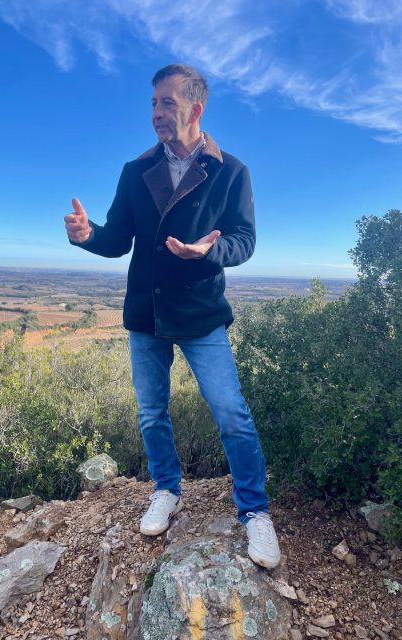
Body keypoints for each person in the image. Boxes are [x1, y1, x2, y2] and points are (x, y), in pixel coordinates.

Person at [64, 63, 281, 569]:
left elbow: (244, 240)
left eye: (167, 102)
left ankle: (255, 511)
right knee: (151, 412)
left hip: (202, 313)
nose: (157, 113)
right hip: (147, 313)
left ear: (195, 109)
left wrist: (209, 251)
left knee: (231, 413)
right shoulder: (135, 170)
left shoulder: (231, 171)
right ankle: (167, 489)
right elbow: (118, 238)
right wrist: (88, 235)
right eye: (153, 104)